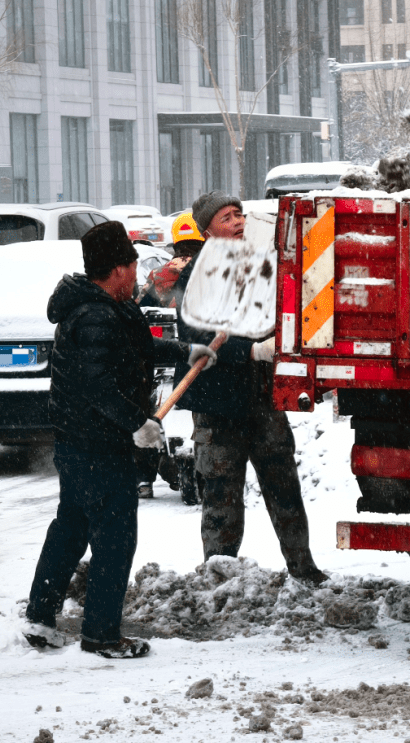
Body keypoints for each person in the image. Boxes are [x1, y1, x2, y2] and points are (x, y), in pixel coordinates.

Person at [23, 222, 217, 659]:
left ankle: (40, 617)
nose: (137, 273)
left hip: (81, 443)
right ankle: (101, 634)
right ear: (115, 270)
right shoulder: (93, 315)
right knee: (114, 536)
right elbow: (96, 384)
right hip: (94, 444)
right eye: (131, 265)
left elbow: (137, 349)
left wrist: (184, 352)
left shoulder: (110, 306)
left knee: (71, 529)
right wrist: (136, 423)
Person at [172, 191, 327, 585]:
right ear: (208, 231)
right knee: (221, 496)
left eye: (239, 214)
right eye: (226, 218)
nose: (238, 222)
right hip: (218, 404)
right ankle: (219, 576)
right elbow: (198, 335)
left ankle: (303, 568)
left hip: (262, 399)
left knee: (283, 485)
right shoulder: (196, 278)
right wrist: (251, 349)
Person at [133, 212, 206, 500]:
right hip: (197, 353)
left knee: (150, 414)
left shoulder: (161, 274)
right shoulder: (207, 269)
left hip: (163, 357)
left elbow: (142, 310)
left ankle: (144, 479)